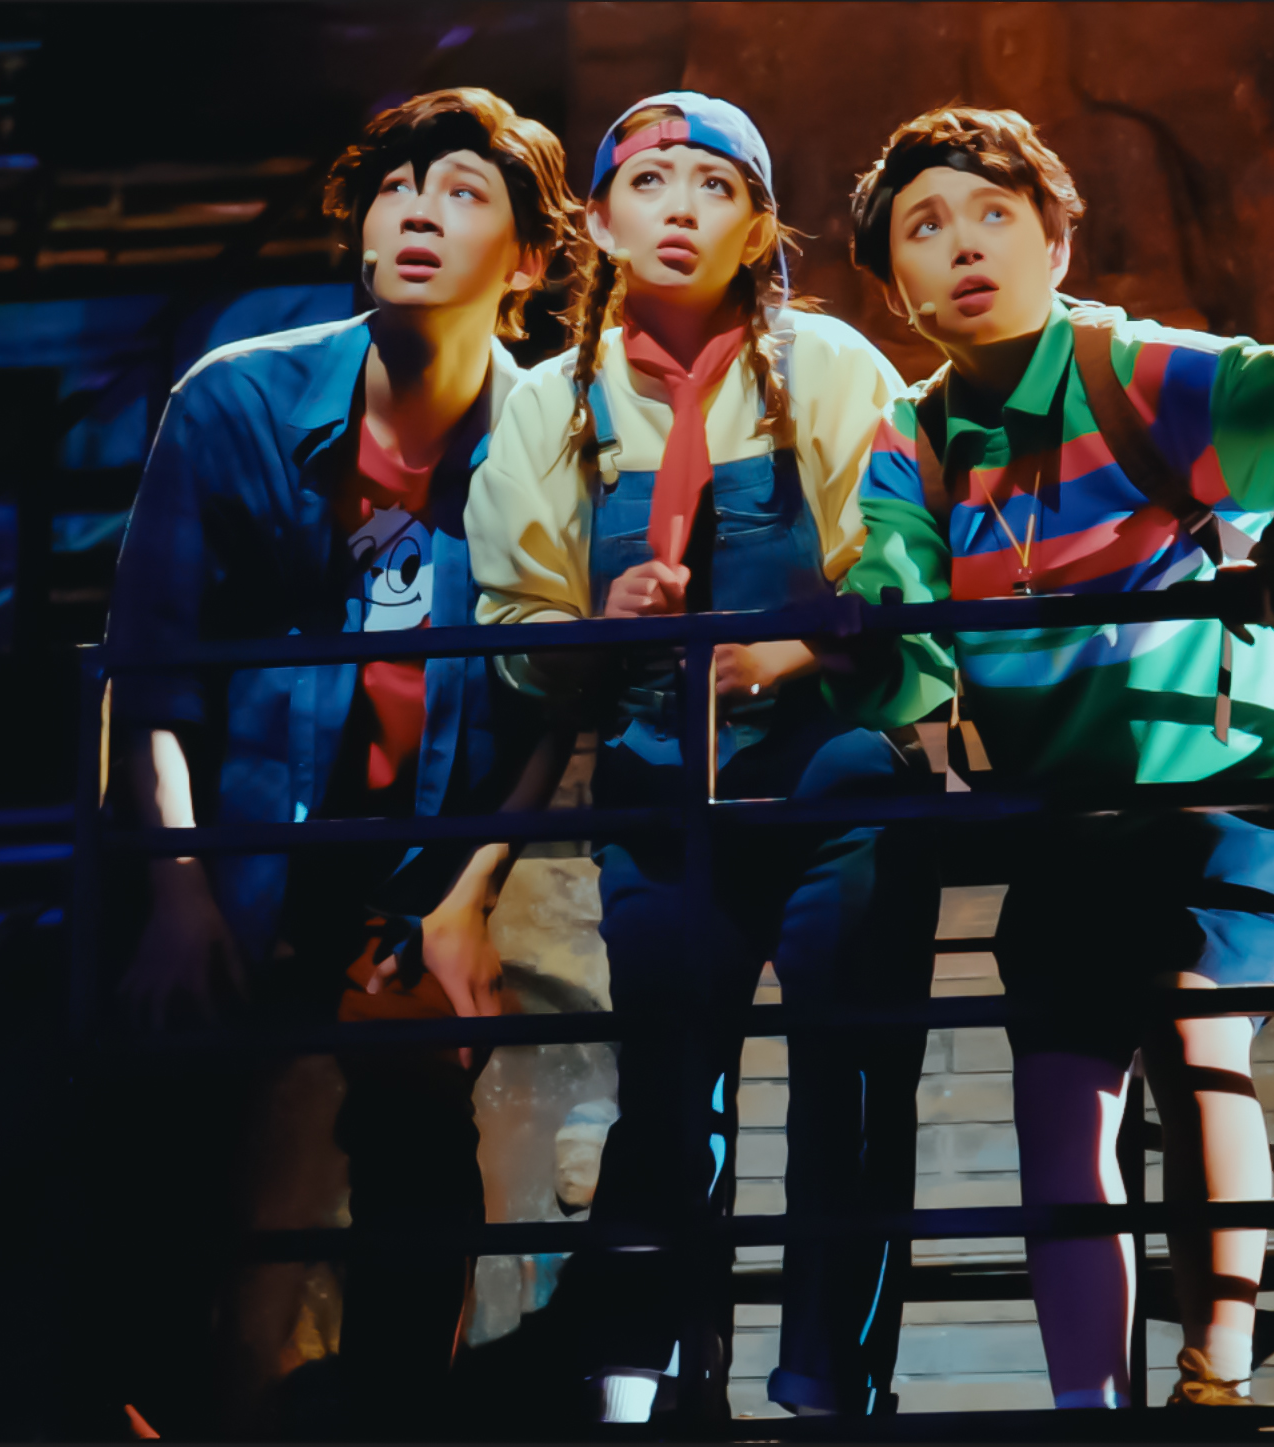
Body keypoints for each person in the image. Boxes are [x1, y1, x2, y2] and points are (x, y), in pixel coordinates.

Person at [828, 106, 1274, 1409]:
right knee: (1058, 1093)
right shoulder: (917, 438)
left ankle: (1217, 1380)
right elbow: (897, 609)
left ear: (1055, 243)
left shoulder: (1127, 372)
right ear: (894, 286)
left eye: (995, 214)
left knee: (1197, 1026)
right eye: (925, 226)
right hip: (1070, 807)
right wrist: (869, 656)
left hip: (1233, 787)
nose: (964, 244)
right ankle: (1086, 1409)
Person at [104, 87, 581, 1432]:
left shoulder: (555, 433)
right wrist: (177, 893)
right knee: (175, 1155)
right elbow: (149, 675)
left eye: (463, 191)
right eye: (393, 189)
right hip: (238, 853)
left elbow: (556, 700)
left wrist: (471, 895)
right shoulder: (236, 401)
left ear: (529, 260)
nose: (418, 211)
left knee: (418, 1151)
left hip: (422, 870)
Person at [465, 92, 930, 1423]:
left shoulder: (830, 366)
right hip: (659, 783)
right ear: (602, 220)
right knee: (671, 1085)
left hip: (837, 773)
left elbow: (900, 562)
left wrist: (789, 653)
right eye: (652, 181)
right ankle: (650, 1374)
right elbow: (515, 625)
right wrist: (598, 629)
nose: (681, 206)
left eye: (715, 186)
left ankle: (832, 1385)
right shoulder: (553, 402)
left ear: (758, 228)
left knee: (848, 1080)